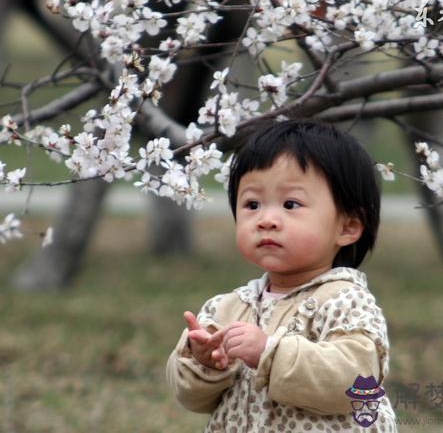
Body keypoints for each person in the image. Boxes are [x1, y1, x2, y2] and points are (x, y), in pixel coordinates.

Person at [166, 119, 397, 432]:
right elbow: (193, 400)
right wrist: (204, 363)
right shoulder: (226, 309)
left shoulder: (345, 302)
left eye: (291, 204)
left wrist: (269, 353)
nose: (267, 219)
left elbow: (357, 384)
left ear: (348, 227)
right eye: (252, 204)